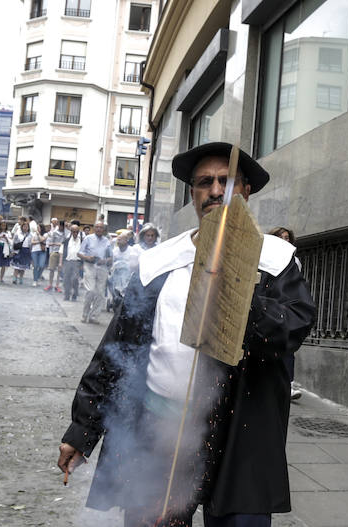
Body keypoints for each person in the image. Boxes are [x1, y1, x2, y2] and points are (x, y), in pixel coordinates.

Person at [57, 142, 316, 527]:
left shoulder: (274, 259)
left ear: (245, 190)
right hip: (160, 430)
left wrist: (233, 286)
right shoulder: (160, 261)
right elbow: (117, 349)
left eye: (226, 181)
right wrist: (82, 429)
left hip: (241, 440)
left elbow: (291, 329)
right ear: (193, 192)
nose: (215, 190)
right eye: (204, 182)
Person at [268, 226, 303, 401]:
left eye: (287, 237)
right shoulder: (265, 257)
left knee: (288, 347)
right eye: (281, 237)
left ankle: (288, 383)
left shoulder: (294, 261)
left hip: (286, 309)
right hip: (268, 308)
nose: (285, 240)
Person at [78, 220, 112, 323]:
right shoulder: (88, 238)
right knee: (91, 290)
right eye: (97, 227)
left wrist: (105, 260)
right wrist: (88, 257)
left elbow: (111, 257)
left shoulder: (107, 241)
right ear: (94, 228)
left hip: (102, 267)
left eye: (101, 227)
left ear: (103, 229)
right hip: (90, 266)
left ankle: (94, 316)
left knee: (100, 293)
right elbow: (79, 253)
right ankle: (84, 315)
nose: (98, 229)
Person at [60, 221, 84, 301]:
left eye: (76, 232)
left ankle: (75, 293)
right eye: (73, 231)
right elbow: (61, 252)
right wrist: (60, 263)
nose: (75, 233)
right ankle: (67, 295)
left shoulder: (82, 241)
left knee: (75, 279)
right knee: (66, 279)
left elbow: (84, 253)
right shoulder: (66, 241)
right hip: (67, 262)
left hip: (77, 263)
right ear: (71, 231)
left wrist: (83, 264)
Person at [10, 216, 32, 284]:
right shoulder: (18, 234)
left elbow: (31, 244)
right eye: (24, 226)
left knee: (23, 267)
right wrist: (13, 251)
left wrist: (30, 252)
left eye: (26, 227)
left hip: (26, 251)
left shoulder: (30, 235)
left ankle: (21, 278)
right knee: (17, 266)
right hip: (19, 250)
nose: (25, 228)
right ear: (22, 227)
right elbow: (14, 242)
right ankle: (14, 278)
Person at [45, 218, 64, 292]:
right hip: (55, 252)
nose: (61, 227)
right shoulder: (54, 233)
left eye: (62, 226)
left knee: (60, 270)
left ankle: (57, 285)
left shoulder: (66, 234)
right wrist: (56, 245)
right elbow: (49, 243)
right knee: (51, 269)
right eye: (60, 225)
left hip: (62, 253)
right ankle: (50, 284)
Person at [29, 217, 48, 286]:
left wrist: (38, 234)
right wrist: (38, 241)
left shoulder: (45, 234)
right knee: (35, 266)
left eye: (38, 228)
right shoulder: (34, 234)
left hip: (42, 251)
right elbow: (32, 242)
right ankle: (35, 280)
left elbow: (42, 239)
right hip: (34, 251)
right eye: (37, 228)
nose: (37, 229)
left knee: (42, 265)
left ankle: (38, 276)